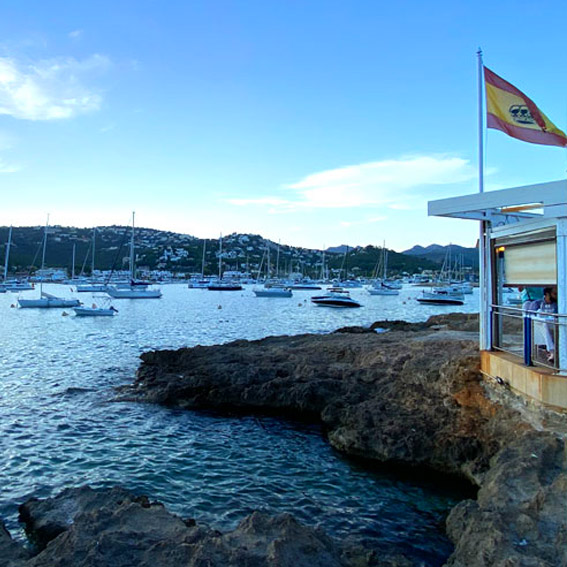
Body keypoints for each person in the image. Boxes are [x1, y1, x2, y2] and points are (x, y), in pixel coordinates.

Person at [538, 287, 558, 363]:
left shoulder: (557, 304)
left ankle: (551, 350)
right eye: (554, 294)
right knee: (543, 325)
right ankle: (550, 350)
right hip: (548, 324)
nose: (555, 296)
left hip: (556, 323)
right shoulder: (541, 304)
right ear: (547, 294)